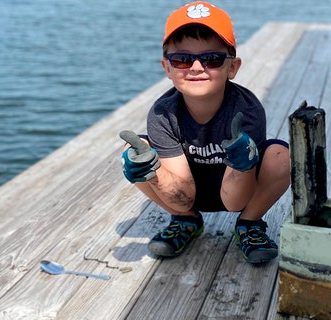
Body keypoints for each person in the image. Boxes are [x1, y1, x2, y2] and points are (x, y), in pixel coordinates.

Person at [119, 1, 290, 264]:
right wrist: (150, 172)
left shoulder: (248, 109)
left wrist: (242, 164)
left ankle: (249, 224)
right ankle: (186, 222)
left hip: (238, 192)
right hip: (183, 191)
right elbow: (182, 196)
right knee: (136, 152)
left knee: (281, 156)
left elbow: (234, 201)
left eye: (212, 59)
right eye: (182, 59)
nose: (197, 67)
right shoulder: (162, 114)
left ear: (232, 67)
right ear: (167, 68)